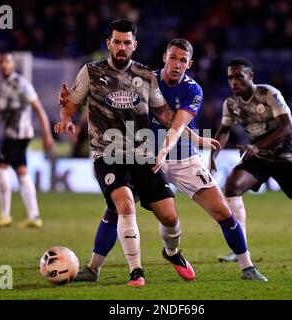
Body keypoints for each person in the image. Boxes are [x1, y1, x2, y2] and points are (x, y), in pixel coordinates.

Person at [59, 39, 267, 283]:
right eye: (173, 58)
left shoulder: (192, 90)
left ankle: (245, 266)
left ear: (189, 64)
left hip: (183, 156)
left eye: (182, 60)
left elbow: (177, 124)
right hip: (143, 155)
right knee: (118, 206)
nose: (176, 64)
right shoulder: (144, 79)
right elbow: (113, 103)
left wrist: (183, 143)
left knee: (221, 210)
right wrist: (71, 103)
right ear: (164, 58)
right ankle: (93, 268)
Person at [54, 20, 210, 287]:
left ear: (134, 45)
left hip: (142, 154)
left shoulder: (146, 75)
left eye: (127, 43)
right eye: (117, 41)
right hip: (107, 153)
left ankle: (171, 252)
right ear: (109, 44)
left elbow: (165, 115)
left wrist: (191, 134)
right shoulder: (91, 72)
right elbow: (71, 103)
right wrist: (66, 117)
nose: (122, 47)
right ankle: (136, 272)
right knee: (123, 204)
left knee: (170, 216)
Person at [210, 57, 292, 262]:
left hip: (285, 157)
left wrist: (257, 146)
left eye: (239, 76)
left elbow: (288, 127)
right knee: (233, 186)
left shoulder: (268, 94)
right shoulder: (231, 104)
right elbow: (224, 130)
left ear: (251, 77)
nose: (234, 82)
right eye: (230, 78)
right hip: (260, 157)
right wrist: (212, 156)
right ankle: (240, 248)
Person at [0, 52, 54, 229]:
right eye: (1, 62)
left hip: (19, 135)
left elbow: (38, 109)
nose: (4, 65)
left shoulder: (22, 84)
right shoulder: (1, 88)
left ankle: (5, 215)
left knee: (0, 170)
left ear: (13, 65)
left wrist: (47, 134)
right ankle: (34, 216)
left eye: (7, 62)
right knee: (22, 172)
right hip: (12, 135)